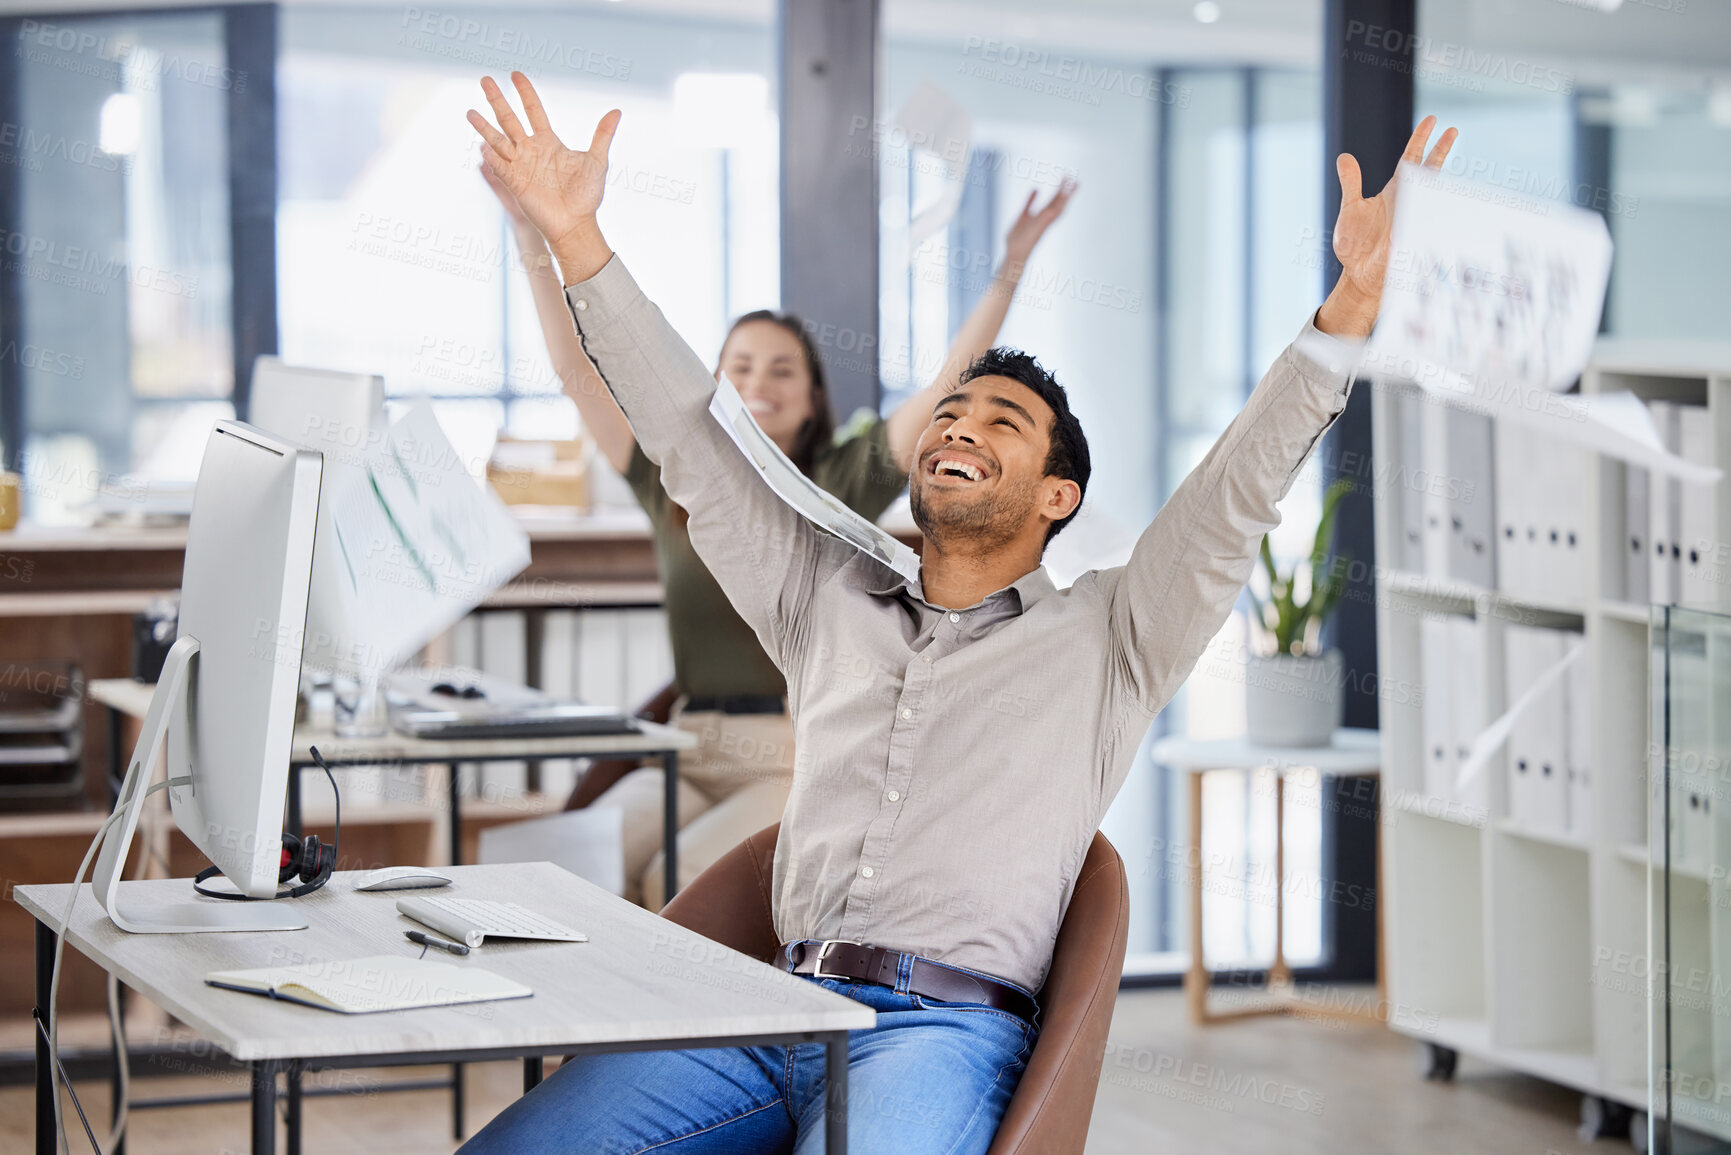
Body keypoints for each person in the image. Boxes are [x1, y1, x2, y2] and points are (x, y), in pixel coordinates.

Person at [462, 70, 1457, 1154]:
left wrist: (1345, 317)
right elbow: (693, 437)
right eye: (951, 410)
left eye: (1004, 421)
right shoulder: (821, 596)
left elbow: (1233, 497)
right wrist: (575, 238)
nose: (960, 425)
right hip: (768, 1008)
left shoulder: (1114, 637)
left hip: (935, 1032)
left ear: (1057, 496)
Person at [484, 152, 1073, 910]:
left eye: (781, 371)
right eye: (740, 368)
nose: (758, 385)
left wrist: (1010, 270)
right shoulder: (672, 471)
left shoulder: (842, 476)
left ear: (811, 399)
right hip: (684, 742)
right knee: (574, 871)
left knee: (681, 882)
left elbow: (945, 388)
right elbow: (579, 370)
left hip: (783, 751)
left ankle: (687, 1032)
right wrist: (530, 233)